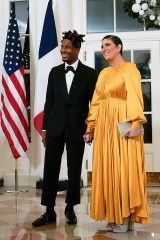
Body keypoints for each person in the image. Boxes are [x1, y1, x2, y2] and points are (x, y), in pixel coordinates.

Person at [83, 35, 149, 233]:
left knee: (123, 169)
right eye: (102, 46)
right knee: (108, 169)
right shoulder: (103, 73)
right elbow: (95, 102)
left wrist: (136, 123)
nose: (104, 48)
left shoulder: (129, 68)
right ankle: (116, 215)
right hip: (104, 127)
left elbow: (135, 95)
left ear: (118, 47)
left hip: (122, 123)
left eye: (108, 45)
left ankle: (124, 216)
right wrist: (90, 127)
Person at [32, 30, 97, 227]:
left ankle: (70, 208)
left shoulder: (89, 74)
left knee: (74, 169)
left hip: (77, 129)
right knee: (50, 169)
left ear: (77, 49)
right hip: (54, 128)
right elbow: (48, 102)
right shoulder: (55, 72)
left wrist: (90, 128)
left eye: (68, 47)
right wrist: (44, 130)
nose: (63, 50)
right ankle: (49, 211)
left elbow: (93, 104)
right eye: (62, 47)